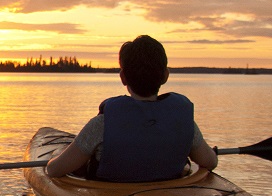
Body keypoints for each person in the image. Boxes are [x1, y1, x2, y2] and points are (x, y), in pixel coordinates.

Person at [45, 35, 218, 181]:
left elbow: (54, 170)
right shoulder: (183, 122)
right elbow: (210, 162)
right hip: (166, 195)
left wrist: (52, 159)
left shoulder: (101, 125)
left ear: (123, 78)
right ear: (165, 76)